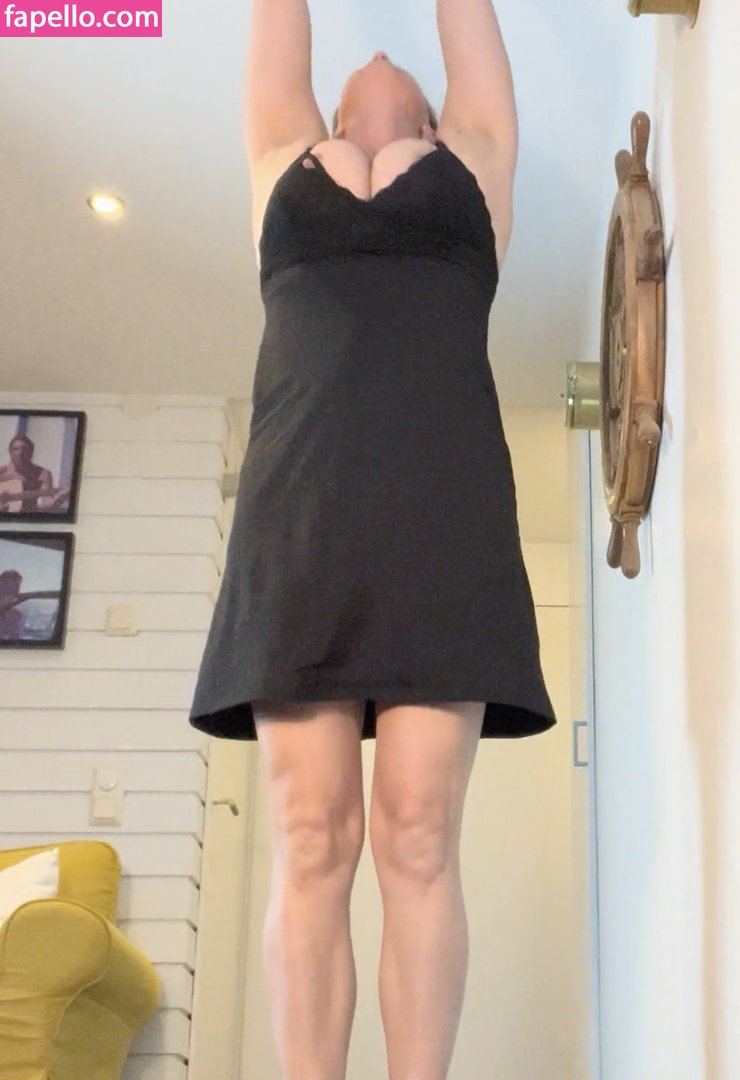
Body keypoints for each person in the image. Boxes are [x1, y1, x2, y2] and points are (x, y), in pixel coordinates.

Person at [189, 2, 557, 1077]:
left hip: (444, 510)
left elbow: (467, 21)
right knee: (309, 834)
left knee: (417, 832)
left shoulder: (475, 158)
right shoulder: (280, 155)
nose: (378, 55)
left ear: (433, 118)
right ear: (331, 114)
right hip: (298, 512)